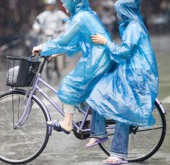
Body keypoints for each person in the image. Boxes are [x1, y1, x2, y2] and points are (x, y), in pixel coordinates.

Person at [85, 0, 159, 164]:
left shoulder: (134, 27)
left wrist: (106, 42)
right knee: (98, 90)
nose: (118, 15)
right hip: (129, 71)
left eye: (119, 11)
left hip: (137, 76)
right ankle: (98, 133)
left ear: (126, 11)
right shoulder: (131, 26)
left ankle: (118, 153)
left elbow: (124, 53)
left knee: (122, 107)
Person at [32, 0, 114, 134]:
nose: (63, 5)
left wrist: (43, 47)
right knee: (84, 93)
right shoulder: (86, 15)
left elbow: (64, 39)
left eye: (65, 2)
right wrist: (56, 53)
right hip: (98, 57)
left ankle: (67, 123)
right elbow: (76, 42)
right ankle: (98, 123)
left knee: (70, 85)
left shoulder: (80, 18)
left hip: (97, 59)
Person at [32, 0, 69, 79]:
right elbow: (36, 23)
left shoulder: (60, 14)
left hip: (57, 35)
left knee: (61, 51)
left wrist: (64, 29)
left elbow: (67, 22)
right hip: (47, 36)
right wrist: (37, 28)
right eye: (48, 5)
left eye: (51, 5)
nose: (49, 6)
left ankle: (62, 63)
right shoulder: (43, 15)